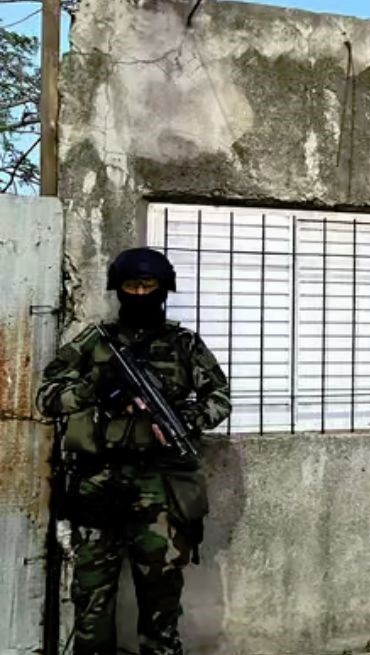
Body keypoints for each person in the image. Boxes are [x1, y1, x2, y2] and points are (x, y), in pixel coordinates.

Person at [37, 247, 231, 655]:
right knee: (91, 594)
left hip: (160, 486)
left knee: (161, 593)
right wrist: (98, 389)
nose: (140, 293)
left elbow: (219, 398)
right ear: (118, 289)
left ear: (163, 289)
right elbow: (48, 397)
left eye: (148, 285)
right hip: (97, 482)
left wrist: (186, 418)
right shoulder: (95, 341)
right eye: (131, 285)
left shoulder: (184, 344)